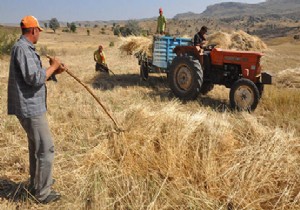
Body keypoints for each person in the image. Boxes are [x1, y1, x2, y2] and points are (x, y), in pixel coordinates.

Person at [7, 15, 65, 204]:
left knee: (36, 148)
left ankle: (37, 183)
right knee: (46, 149)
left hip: (31, 106)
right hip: (30, 108)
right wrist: (54, 66)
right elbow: (34, 78)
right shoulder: (22, 49)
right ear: (33, 31)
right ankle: (42, 193)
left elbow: (36, 76)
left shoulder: (24, 48)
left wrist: (53, 71)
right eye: (38, 30)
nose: (39, 33)